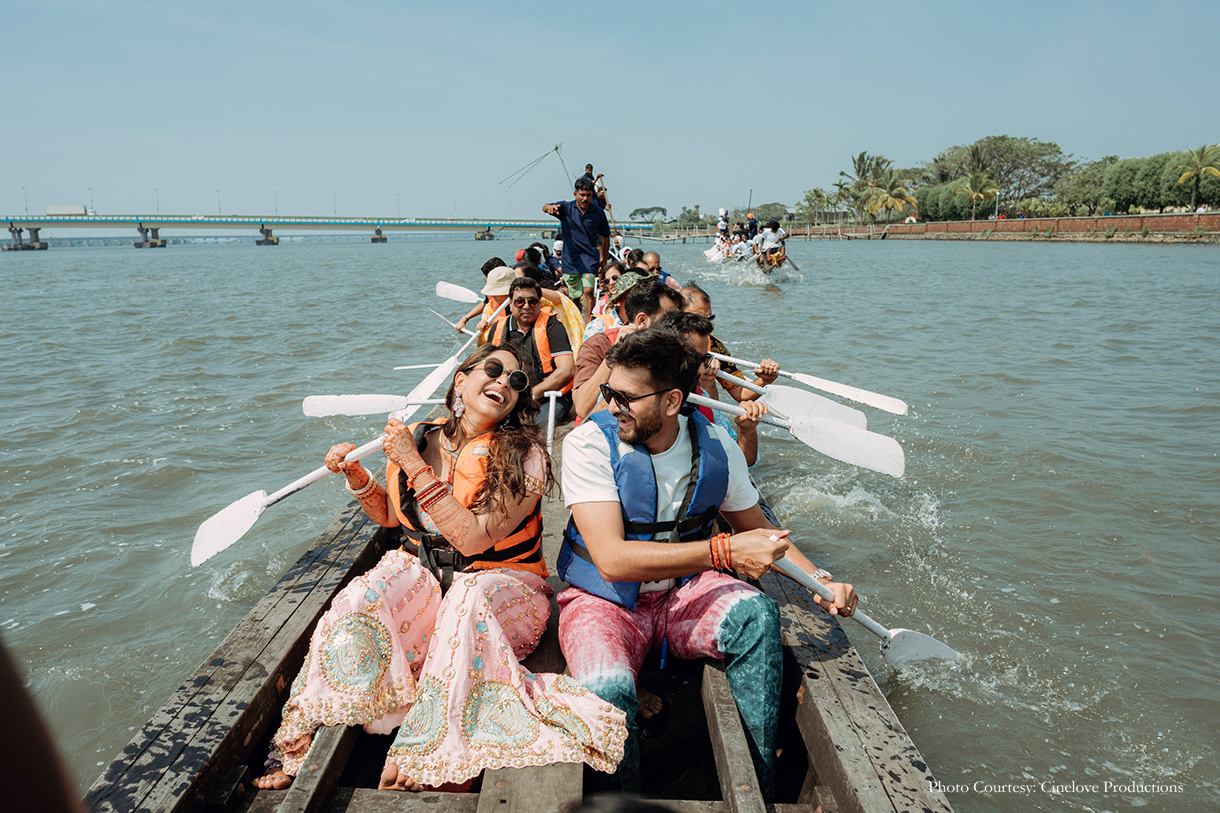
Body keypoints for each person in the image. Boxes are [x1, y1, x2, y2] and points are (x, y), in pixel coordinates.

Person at [256, 344, 626, 792]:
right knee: (362, 593)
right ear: (461, 380)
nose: (504, 383)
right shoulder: (417, 436)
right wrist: (358, 476)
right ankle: (309, 735)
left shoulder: (526, 456)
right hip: (433, 584)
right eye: (493, 369)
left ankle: (435, 750)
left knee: (467, 598)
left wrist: (412, 464)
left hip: (505, 589)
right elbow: (392, 518)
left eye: (516, 381)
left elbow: (472, 538)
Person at [555, 328, 857, 798]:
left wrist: (821, 580)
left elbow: (756, 528)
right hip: (604, 602)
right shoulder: (588, 445)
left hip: (681, 597)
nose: (611, 405)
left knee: (757, 616)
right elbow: (612, 560)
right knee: (608, 692)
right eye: (609, 391)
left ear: (673, 400)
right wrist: (721, 553)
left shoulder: (717, 443)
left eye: (626, 397)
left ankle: (757, 787)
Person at [652, 310, 764, 467]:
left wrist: (747, 431)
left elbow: (741, 465)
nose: (702, 369)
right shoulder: (637, 402)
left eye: (704, 359)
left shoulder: (702, 397)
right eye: (693, 359)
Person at [571, 278, 682, 420]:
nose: (674, 324)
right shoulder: (599, 344)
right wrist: (615, 355)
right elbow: (581, 408)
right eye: (668, 317)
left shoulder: (672, 349)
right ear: (642, 320)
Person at [486, 277, 575, 427]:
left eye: (532, 301)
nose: (526, 306)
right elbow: (488, 368)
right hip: (510, 393)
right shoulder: (497, 328)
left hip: (548, 396)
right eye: (520, 301)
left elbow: (567, 370)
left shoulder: (553, 326)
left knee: (536, 428)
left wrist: (533, 394)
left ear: (539, 303)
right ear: (510, 304)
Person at [680, 284, 778, 404]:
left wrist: (764, 380)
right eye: (699, 318)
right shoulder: (662, 340)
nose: (706, 326)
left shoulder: (715, 347)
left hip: (699, 412)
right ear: (677, 313)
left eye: (709, 318)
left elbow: (741, 393)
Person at [544, 178, 611, 323]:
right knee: (574, 296)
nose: (585, 198)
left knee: (588, 291)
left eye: (588, 195)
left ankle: (588, 324)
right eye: (582, 195)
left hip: (589, 259)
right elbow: (545, 206)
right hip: (570, 261)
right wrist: (549, 208)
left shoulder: (598, 213)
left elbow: (606, 235)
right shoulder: (565, 208)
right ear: (575, 194)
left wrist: (604, 258)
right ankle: (576, 323)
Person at [456, 257, 507, 334]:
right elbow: (485, 303)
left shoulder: (512, 299)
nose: (487, 286)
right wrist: (465, 319)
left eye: (489, 282)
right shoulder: (492, 294)